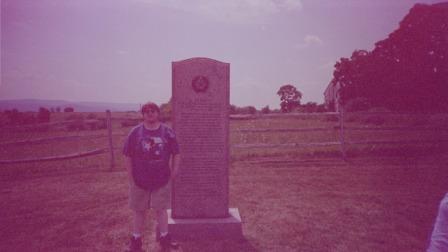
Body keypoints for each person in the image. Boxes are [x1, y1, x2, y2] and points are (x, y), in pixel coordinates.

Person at [123, 102, 180, 252]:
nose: (150, 113)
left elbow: (176, 153)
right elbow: (127, 155)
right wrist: (130, 177)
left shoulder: (167, 132)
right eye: (146, 111)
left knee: (161, 210)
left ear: (158, 113)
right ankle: (136, 239)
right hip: (139, 180)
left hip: (161, 179)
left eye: (153, 110)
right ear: (143, 114)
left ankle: (164, 237)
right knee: (139, 210)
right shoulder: (135, 133)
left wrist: (174, 171)